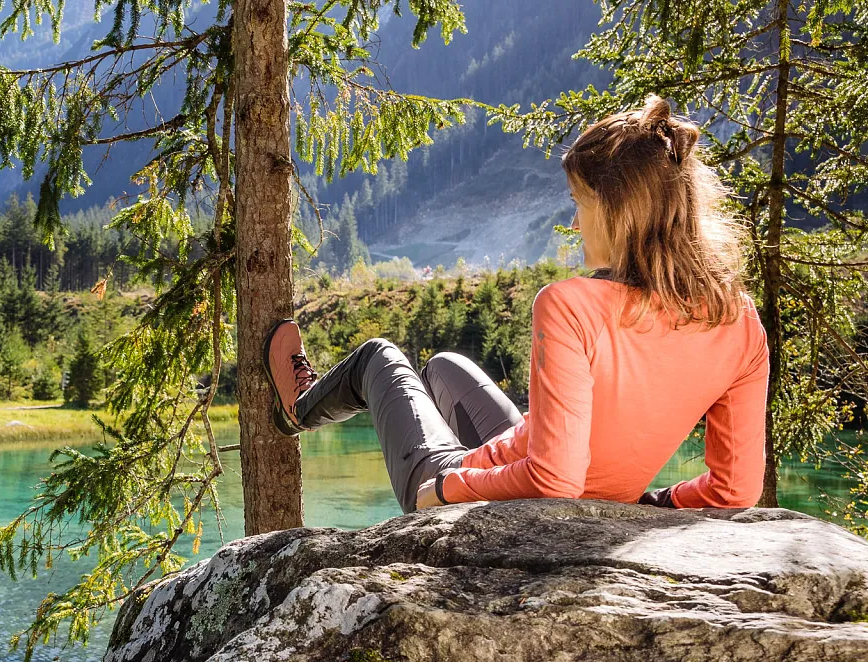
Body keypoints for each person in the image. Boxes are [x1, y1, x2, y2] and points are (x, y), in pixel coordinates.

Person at [265, 96, 769, 514]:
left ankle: (296, 410)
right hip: (543, 466)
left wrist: (447, 488)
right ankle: (457, 445)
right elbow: (734, 491)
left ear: (619, 214)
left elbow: (556, 479)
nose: (574, 225)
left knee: (377, 357)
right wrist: (646, 504)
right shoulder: (739, 321)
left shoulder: (571, 304)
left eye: (579, 202)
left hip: (497, 487)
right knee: (444, 366)